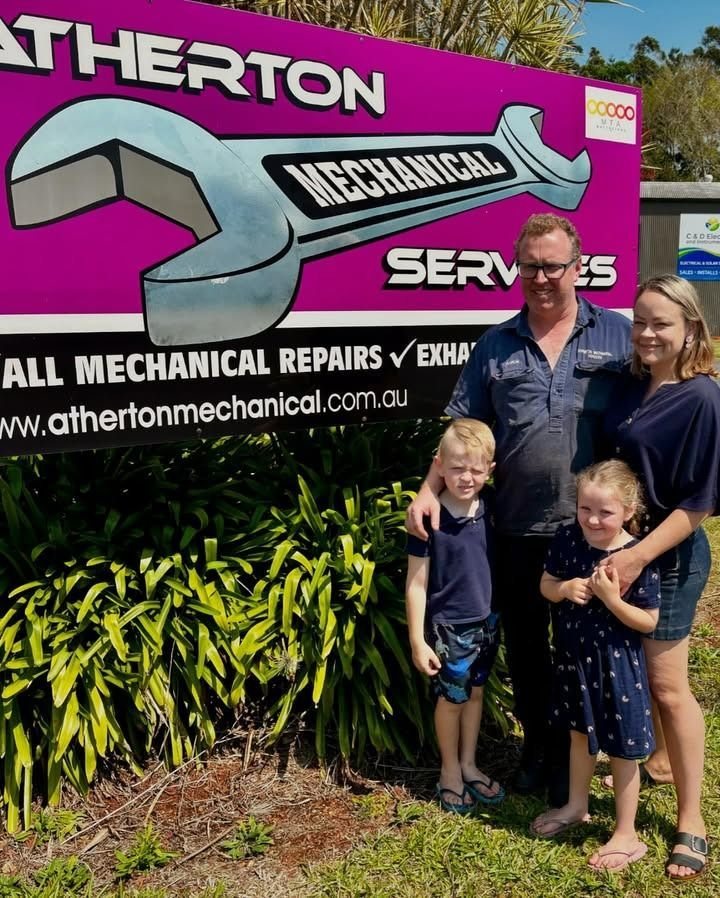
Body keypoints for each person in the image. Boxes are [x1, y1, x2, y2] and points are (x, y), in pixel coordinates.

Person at [406, 212, 631, 806]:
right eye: (530, 265)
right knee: (530, 650)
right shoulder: (495, 344)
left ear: (577, 267)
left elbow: (652, 413)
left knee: (585, 648)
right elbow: (463, 431)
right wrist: (429, 488)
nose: (541, 277)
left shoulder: (617, 336)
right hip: (515, 528)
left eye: (553, 265)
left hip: (592, 533)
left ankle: (583, 754)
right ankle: (541, 751)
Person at [599, 274, 720, 881]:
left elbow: (699, 502)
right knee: (641, 674)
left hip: (666, 559)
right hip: (620, 551)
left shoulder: (700, 398)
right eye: (640, 321)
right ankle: (662, 764)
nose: (646, 333)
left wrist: (638, 554)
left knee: (669, 687)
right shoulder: (628, 384)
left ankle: (691, 819)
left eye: (661, 324)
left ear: (690, 328)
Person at [530, 460, 660, 872]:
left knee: (622, 750)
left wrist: (612, 599)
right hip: (573, 662)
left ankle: (627, 833)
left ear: (627, 510)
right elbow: (546, 585)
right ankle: (576, 805)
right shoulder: (568, 538)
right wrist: (565, 587)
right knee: (577, 736)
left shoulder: (635, 555)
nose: (593, 519)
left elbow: (649, 621)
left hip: (617, 667)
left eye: (605, 512)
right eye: (586, 508)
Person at [406, 418, 505, 812]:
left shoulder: (492, 506)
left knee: (476, 692)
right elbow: (416, 583)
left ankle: (469, 762)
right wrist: (417, 638)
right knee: (452, 698)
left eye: (476, 468)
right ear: (439, 465)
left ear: (490, 470)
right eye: (458, 467)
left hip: (489, 619)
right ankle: (449, 769)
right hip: (450, 626)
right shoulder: (426, 519)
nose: (467, 477)